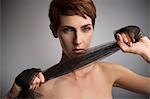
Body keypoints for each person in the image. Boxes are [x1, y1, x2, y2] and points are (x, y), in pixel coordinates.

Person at [4, 0, 150, 98]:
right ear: (54, 31)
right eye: (68, 30)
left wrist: (146, 50)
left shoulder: (109, 72)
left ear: (93, 28)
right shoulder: (40, 86)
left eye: (86, 29)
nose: (78, 41)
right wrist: (13, 93)